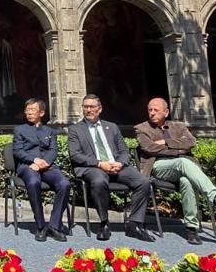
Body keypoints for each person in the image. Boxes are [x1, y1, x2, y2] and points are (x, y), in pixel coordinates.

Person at [134, 97, 216, 245]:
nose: (152, 113)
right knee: (183, 161)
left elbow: (191, 142)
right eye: (150, 110)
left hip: (183, 168)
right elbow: (149, 148)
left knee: (187, 181)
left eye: (156, 110)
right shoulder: (141, 129)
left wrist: (165, 142)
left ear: (166, 112)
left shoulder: (179, 126)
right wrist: (179, 150)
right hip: (158, 166)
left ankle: (192, 228)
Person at [67, 93, 154, 242]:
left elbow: (124, 151)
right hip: (93, 168)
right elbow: (75, 155)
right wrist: (100, 163)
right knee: (99, 180)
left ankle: (134, 223)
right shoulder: (75, 129)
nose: (88, 110)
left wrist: (120, 163)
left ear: (100, 109)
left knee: (143, 182)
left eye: (92, 107)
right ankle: (104, 223)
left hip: (116, 166)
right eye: (85, 107)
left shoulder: (111, 127)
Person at [12, 99, 71, 242]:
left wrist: (44, 163)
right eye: (27, 110)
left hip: (47, 166)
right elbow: (18, 151)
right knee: (33, 182)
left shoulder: (50, 131)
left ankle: (54, 225)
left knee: (64, 184)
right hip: (28, 166)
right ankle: (40, 226)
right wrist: (34, 160)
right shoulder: (19, 130)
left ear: (42, 113)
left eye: (32, 110)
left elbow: (53, 150)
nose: (29, 113)